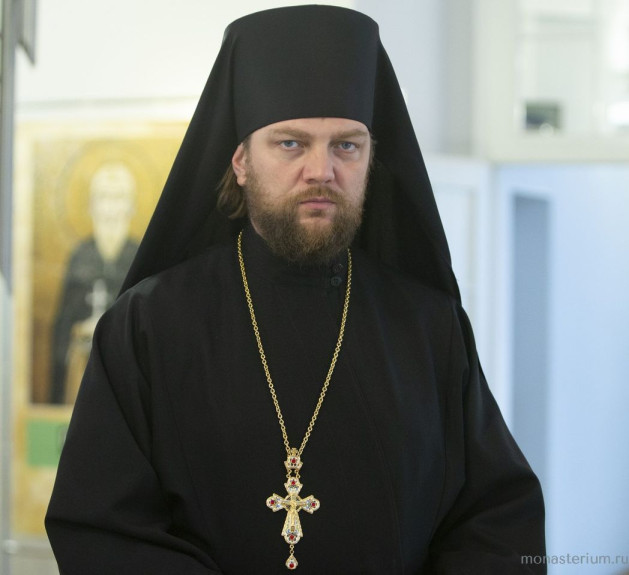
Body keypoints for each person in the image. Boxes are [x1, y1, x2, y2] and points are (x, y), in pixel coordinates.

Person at [45, 6, 546, 574]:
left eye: (346, 146)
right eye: (291, 144)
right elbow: (104, 526)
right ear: (240, 161)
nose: (321, 170)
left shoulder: (429, 328)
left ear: (371, 159)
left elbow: (498, 522)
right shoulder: (147, 326)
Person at [49, 161, 139, 404]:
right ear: (92, 206)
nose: (110, 208)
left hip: (127, 370)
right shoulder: (80, 256)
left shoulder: (138, 254)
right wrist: (79, 332)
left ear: (131, 206)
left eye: (118, 198)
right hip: (82, 370)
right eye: (103, 198)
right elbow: (63, 326)